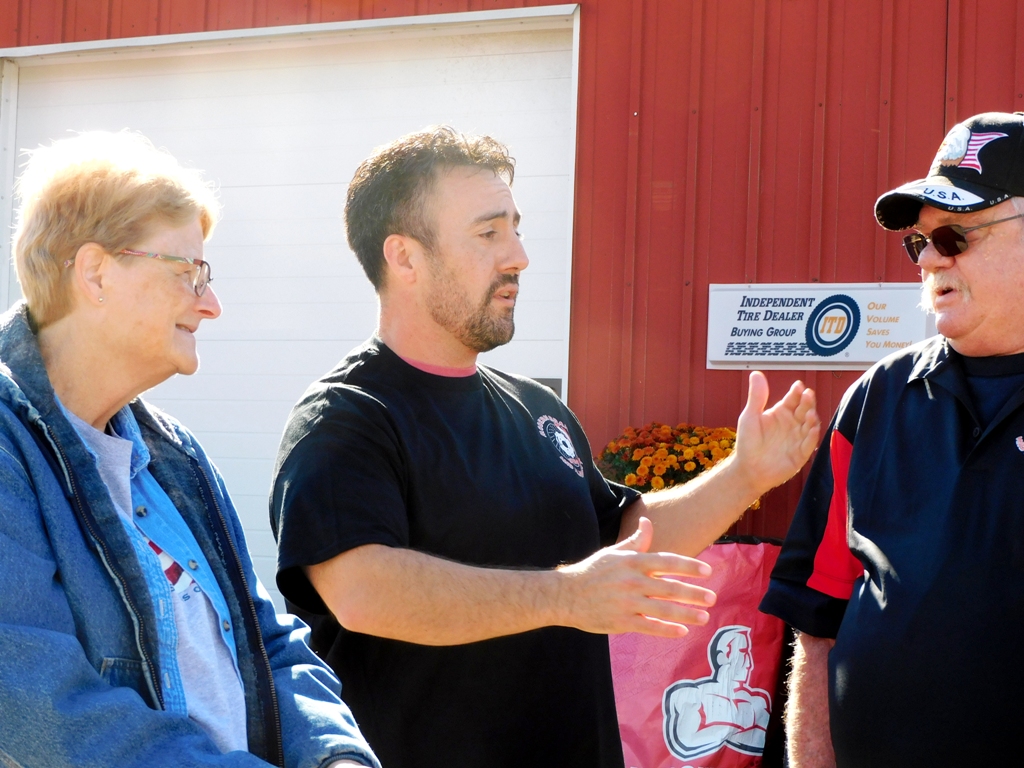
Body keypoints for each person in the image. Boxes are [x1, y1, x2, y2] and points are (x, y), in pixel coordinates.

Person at [270, 125, 821, 768]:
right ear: (405, 258)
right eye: (488, 233)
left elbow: (625, 539)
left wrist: (744, 474)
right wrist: (568, 596)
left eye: (515, 228)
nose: (519, 256)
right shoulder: (346, 417)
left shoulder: (538, 409)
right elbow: (363, 592)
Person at [0, 131, 379, 768]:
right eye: (188, 273)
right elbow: (40, 706)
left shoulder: (175, 456)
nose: (211, 305)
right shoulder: (9, 450)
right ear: (95, 273)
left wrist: (334, 756)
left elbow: (268, 643)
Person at [759, 111, 1024, 768]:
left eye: (955, 235)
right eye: (920, 242)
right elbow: (819, 616)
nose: (929, 258)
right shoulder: (875, 399)